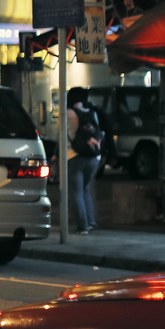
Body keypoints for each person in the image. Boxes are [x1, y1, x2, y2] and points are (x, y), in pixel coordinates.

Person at [66, 87, 104, 235]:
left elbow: (65, 135)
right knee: (85, 189)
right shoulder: (92, 113)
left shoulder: (69, 114)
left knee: (76, 192)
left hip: (74, 155)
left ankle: (82, 226)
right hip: (93, 157)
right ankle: (91, 221)